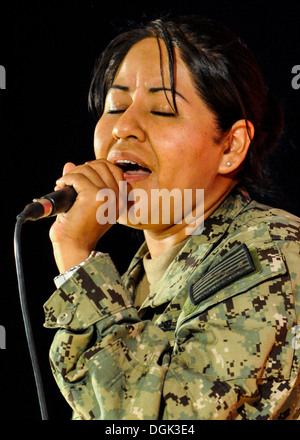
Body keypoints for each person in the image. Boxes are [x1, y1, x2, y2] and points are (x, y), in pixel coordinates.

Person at [43, 15, 300, 420]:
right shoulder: (137, 277)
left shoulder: (274, 253)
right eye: (116, 106)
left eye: (162, 110)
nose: (124, 128)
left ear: (231, 146)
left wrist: (77, 260)